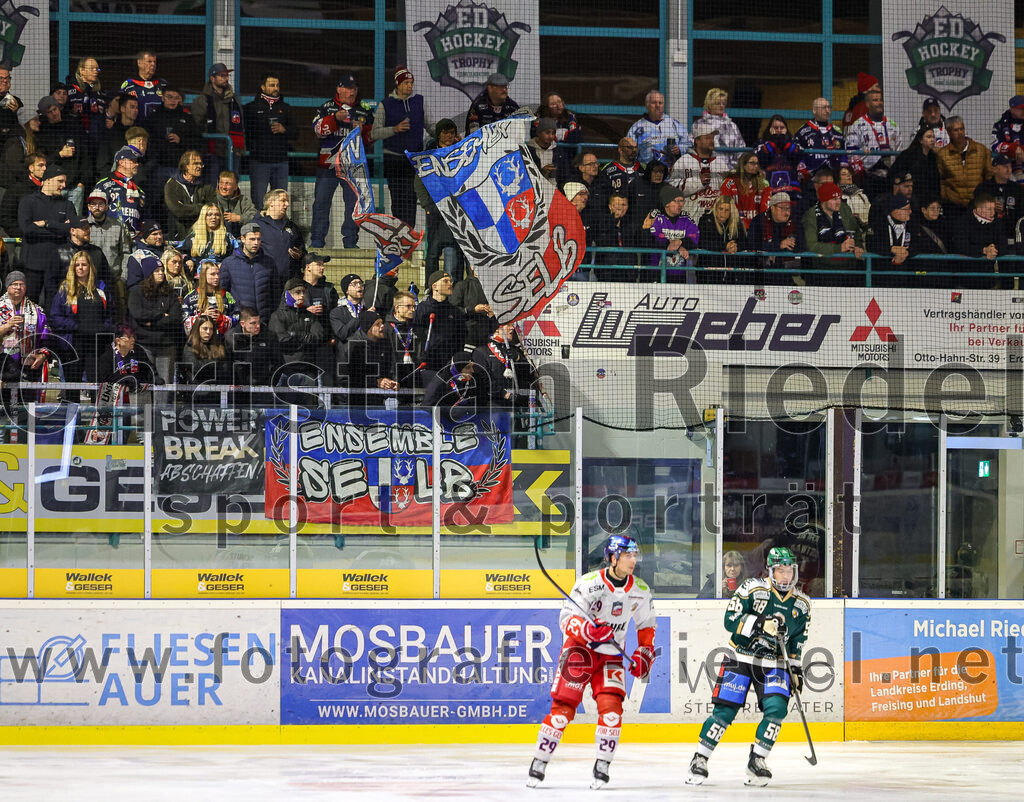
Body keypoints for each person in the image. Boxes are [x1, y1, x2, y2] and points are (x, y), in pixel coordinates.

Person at [526, 534, 655, 790]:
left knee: (611, 712)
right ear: (613, 557)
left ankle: (602, 765)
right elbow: (566, 619)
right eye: (628, 555)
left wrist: (644, 653)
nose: (633, 560)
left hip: (611, 656)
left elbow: (646, 625)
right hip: (579, 651)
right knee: (562, 711)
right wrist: (590, 631)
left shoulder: (640, 590)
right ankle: (539, 761)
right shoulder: (588, 583)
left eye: (634, 555)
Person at [686, 547, 810, 788]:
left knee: (777, 710)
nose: (785, 576)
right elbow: (730, 621)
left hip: (774, 663)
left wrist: (795, 669)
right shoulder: (752, 588)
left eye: (789, 571)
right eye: (780, 570)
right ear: (771, 571)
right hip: (740, 658)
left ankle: (758, 760)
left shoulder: (802, 604)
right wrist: (761, 623)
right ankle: (700, 757)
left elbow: (797, 642)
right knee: (724, 712)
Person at [311, 74, 371, 249]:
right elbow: (317, 131)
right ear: (339, 89)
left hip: (353, 166)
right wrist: (334, 119)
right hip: (328, 165)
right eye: (348, 88)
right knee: (321, 203)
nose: (352, 92)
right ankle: (317, 242)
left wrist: (364, 130)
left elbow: (373, 137)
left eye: (354, 88)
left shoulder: (364, 109)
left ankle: (351, 242)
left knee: (353, 205)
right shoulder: (326, 108)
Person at [371, 65, 429, 228]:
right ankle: (398, 233)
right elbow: (374, 133)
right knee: (398, 198)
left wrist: (445, 133)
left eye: (411, 83)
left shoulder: (419, 102)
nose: (409, 86)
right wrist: (394, 129)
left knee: (412, 197)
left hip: (413, 159)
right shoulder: (386, 105)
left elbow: (430, 125)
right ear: (398, 84)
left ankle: (409, 233)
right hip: (393, 158)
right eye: (406, 83)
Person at [48, 251, 111, 382]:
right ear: (73, 268)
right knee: (72, 385)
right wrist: (77, 326)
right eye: (77, 265)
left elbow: (111, 314)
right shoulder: (65, 288)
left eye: (84, 264)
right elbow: (55, 317)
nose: (81, 268)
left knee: (96, 383)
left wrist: (103, 328)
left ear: (90, 267)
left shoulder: (101, 287)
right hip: (72, 344)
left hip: (96, 344)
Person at [18, 163, 76, 306]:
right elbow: (27, 230)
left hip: (58, 267)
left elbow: (71, 229)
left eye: (65, 182)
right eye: (60, 181)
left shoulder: (67, 204)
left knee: (56, 307)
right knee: (30, 306)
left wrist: (47, 224)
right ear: (48, 180)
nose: (63, 185)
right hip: (33, 265)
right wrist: (58, 232)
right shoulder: (28, 201)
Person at [415, 120, 465, 282]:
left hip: (457, 209)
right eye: (445, 133)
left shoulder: (461, 153)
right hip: (435, 209)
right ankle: (431, 285)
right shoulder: (429, 155)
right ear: (438, 134)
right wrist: (427, 205)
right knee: (433, 251)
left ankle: (455, 284)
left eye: (452, 132)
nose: (449, 136)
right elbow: (419, 181)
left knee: (458, 248)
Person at [127, 256, 182, 384]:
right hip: (143, 345)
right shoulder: (136, 292)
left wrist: (151, 322)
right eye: (157, 271)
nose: (161, 273)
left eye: (162, 270)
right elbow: (137, 314)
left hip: (166, 345)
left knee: (165, 385)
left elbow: (175, 318)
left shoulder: (170, 293)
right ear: (149, 273)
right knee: (144, 384)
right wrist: (162, 315)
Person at [243, 72, 294, 209]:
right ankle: (258, 228)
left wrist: (285, 130)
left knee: (280, 201)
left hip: (281, 162)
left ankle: (277, 230)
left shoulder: (286, 108)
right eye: (271, 85)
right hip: (259, 162)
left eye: (277, 85)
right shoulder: (250, 108)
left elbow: (296, 133)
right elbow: (246, 133)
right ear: (263, 87)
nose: (275, 88)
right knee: (258, 201)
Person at [0, 271, 51, 405]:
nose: (18, 287)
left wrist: (43, 355)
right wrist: (7, 326)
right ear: (7, 287)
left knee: (26, 406)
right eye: (14, 284)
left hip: (28, 367)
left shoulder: (37, 310)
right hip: (3, 367)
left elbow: (46, 338)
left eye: (21, 284)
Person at [414, 269, 468, 392]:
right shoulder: (422, 309)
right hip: (428, 364)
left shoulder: (455, 312)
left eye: (450, 281)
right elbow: (417, 334)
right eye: (445, 281)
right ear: (434, 286)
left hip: (448, 366)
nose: (450, 284)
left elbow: (461, 337)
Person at [143, 86, 200, 203]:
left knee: (179, 202)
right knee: (156, 201)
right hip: (158, 167)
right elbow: (146, 140)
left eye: (176, 98)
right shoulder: (153, 117)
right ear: (163, 98)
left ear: (180, 99)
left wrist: (181, 140)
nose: (172, 100)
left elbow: (198, 141)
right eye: (169, 97)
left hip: (180, 169)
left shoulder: (187, 118)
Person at [845, 88, 903, 199]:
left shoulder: (892, 125)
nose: (879, 103)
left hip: (890, 178)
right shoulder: (858, 125)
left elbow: (899, 151)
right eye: (875, 100)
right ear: (867, 103)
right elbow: (851, 152)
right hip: (869, 178)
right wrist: (861, 174)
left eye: (881, 100)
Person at [269, 277, 327, 387]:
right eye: (297, 292)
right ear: (288, 294)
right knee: (284, 403)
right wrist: (305, 338)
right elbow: (281, 340)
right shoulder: (277, 316)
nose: (302, 295)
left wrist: (294, 335)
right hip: (284, 370)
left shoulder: (310, 315)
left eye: (304, 292)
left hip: (308, 369)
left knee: (307, 404)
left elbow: (319, 336)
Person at [191, 63, 244, 182]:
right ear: (212, 78)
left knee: (231, 186)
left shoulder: (234, 99)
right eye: (222, 75)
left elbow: (240, 123)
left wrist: (239, 147)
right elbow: (196, 125)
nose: (225, 78)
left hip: (232, 151)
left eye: (226, 75)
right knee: (212, 185)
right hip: (211, 152)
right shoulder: (202, 100)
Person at [803, 181, 864, 283]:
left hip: (848, 270)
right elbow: (812, 246)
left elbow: (856, 231)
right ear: (823, 200)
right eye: (833, 199)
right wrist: (839, 248)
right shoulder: (811, 216)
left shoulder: (844, 209)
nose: (838, 201)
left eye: (839, 198)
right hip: (822, 271)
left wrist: (858, 246)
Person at [669, 119, 728, 223]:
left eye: (712, 138)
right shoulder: (683, 161)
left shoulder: (720, 163)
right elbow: (673, 190)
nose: (711, 141)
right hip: (688, 221)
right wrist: (698, 182)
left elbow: (726, 192)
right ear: (697, 140)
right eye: (707, 138)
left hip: (714, 222)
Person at [338, 308, 398, 408]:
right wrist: (376, 382)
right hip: (352, 403)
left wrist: (391, 382)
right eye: (377, 324)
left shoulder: (385, 344)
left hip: (376, 401)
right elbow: (344, 379)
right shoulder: (350, 346)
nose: (382, 326)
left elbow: (387, 370)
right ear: (368, 327)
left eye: (382, 323)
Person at [219, 221, 276, 323]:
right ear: (243, 239)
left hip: (264, 320)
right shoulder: (229, 264)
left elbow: (276, 291)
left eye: (258, 239)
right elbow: (222, 293)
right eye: (252, 239)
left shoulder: (269, 262)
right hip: (239, 321)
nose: (256, 243)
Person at [937, 116, 994, 217]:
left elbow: (989, 175)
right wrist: (946, 196)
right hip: (953, 207)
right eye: (956, 130)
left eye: (961, 129)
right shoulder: (943, 154)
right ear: (949, 132)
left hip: (978, 205)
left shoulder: (981, 150)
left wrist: (986, 198)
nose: (960, 132)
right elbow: (941, 179)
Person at [747, 192, 806, 284]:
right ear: (772, 208)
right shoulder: (758, 221)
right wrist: (779, 245)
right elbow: (752, 245)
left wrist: (794, 244)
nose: (786, 212)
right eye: (782, 208)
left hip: (788, 275)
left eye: (788, 208)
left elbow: (803, 245)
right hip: (762, 275)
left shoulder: (795, 222)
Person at [643, 184, 699, 281]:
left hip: (679, 276)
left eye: (682, 201)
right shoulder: (657, 217)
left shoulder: (687, 220)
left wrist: (681, 242)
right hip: (656, 274)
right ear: (667, 203)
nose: (681, 204)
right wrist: (671, 244)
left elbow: (695, 237)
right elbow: (653, 239)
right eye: (677, 201)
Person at [952, 194, 1008, 288]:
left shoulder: (997, 223)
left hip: (987, 279)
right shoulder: (963, 222)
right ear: (979, 210)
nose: (993, 212)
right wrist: (984, 250)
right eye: (989, 209)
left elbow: (1003, 244)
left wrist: (994, 250)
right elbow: (961, 245)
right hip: (964, 279)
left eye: (993, 209)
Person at [627, 89, 690, 167]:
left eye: (660, 103)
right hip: (646, 175)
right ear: (647, 105)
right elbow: (629, 152)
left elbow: (688, 143)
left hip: (672, 175)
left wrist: (680, 149)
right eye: (654, 102)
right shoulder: (637, 128)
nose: (657, 105)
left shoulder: (675, 124)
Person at [253, 188, 304, 284]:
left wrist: (300, 255)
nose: (287, 204)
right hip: (265, 281)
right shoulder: (257, 225)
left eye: (287, 201)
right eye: (283, 201)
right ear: (271, 202)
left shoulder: (292, 227)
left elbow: (302, 250)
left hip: (289, 282)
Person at [92, 146, 145, 235]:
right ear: (121, 162)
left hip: (134, 241)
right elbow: (93, 212)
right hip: (110, 237)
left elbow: (144, 219)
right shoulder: (104, 185)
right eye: (133, 161)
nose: (137, 164)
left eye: (137, 162)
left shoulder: (139, 191)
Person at [164, 150, 215, 239]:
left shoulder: (206, 186)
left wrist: (185, 207)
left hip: (202, 234)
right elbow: (177, 210)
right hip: (178, 236)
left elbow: (212, 208)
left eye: (200, 164)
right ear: (185, 166)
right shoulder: (172, 185)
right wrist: (202, 207)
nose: (199, 167)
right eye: (195, 164)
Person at [86, 189, 132, 286]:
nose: (97, 207)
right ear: (89, 207)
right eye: (93, 204)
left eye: (101, 204)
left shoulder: (118, 226)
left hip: (113, 279)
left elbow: (125, 253)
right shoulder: (83, 226)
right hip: (89, 280)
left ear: (107, 207)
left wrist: (123, 277)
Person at [975, 153, 1023, 246]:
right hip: (986, 237)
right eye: (1005, 166)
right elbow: (974, 210)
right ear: (995, 169)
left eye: (1010, 166)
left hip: (1011, 238)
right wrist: (990, 208)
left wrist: (1006, 210)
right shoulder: (983, 188)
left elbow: (1021, 213)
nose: (1009, 170)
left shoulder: (1017, 189)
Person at [590, 193, 639, 280]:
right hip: (606, 272)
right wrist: (614, 220)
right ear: (610, 206)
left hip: (628, 274)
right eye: (617, 205)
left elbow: (638, 242)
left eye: (624, 204)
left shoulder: (632, 223)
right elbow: (600, 240)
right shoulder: (601, 221)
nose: (620, 208)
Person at [794, 97, 846, 181]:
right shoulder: (804, 130)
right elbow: (796, 151)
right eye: (823, 108)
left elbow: (844, 152)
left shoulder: (837, 131)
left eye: (829, 107)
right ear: (814, 110)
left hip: (834, 178)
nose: (827, 110)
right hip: (811, 179)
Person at [867, 194, 913, 286]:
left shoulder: (913, 224)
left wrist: (907, 252)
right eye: (906, 209)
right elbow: (871, 245)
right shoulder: (878, 224)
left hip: (904, 277)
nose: (910, 211)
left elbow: (920, 245)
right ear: (895, 211)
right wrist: (891, 249)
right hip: (881, 278)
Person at [182, 260, 239, 335]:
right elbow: (184, 325)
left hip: (221, 340)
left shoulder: (227, 296)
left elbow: (237, 318)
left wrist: (222, 319)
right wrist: (202, 317)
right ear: (203, 276)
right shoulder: (190, 297)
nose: (217, 277)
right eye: (212, 274)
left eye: (218, 274)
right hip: (198, 341)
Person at [95, 323, 161, 388]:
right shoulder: (107, 355)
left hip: (138, 391)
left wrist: (154, 377)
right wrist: (126, 380)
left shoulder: (138, 350)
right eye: (129, 337)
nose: (133, 340)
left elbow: (147, 367)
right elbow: (105, 377)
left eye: (133, 337)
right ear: (118, 341)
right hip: (115, 393)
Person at [226, 307, 278, 387]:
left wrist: (270, 383)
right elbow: (227, 363)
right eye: (253, 323)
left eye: (258, 322)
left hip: (263, 386)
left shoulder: (269, 336)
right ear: (242, 324)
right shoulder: (230, 337)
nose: (258, 326)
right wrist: (233, 381)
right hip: (238, 388)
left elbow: (277, 362)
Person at [697, 195, 748, 275]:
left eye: (727, 210)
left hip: (732, 274)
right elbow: (702, 242)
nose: (723, 213)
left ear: (731, 211)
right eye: (721, 209)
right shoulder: (706, 220)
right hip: (708, 273)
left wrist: (735, 247)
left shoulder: (737, 224)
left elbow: (745, 243)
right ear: (716, 208)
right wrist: (725, 246)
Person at [179, 203, 236, 275]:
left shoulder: (227, 237)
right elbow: (178, 252)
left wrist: (225, 264)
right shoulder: (193, 237)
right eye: (209, 215)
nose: (214, 217)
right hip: (197, 278)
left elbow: (238, 253)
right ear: (203, 217)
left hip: (220, 277)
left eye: (217, 215)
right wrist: (187, 260)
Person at [754, 115, 803, 198]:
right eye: (776, 128)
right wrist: (773, 141)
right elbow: (762, 160)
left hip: (791, 187)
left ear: (786, 129)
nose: (779, 130)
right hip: (769, 186)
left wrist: (784, 141)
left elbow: (797, 157)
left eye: (782, 127)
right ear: (770, 129)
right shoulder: (761, 142)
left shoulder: (793, 141)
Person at [891, 124, 941, 202]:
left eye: (933, 137)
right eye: (928, 137)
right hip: (910, 197)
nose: (932, 140)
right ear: (920, 140)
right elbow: (894, 173)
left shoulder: (933, 158)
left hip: (928, 199)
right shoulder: (908, 155)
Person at [0, 152, 46, 237]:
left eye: (45, 165)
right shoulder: (16, 189)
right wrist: (22, 232)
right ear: (31, 168)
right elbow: (5, 218)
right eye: (40, 165)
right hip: (23, 240)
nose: (45, 168)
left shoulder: (49, 189)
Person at [697, 88, 745, 169]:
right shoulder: (700, 124)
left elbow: (741, 148)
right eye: (718, 103)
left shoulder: (733, 126)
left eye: (723, 103)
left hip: (731, 171)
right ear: (710, 104)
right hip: (707, 169)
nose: (722, 106)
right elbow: (694, 147)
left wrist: (737, 168)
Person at [720, 152, 769, 230]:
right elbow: (723, 204)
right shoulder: (730, 182)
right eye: (752, 163)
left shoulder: (763, 184)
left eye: (757, 163)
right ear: (743, 165)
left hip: (756, 227)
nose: (756, 166)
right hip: (735, 226)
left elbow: (765, 208)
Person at [452, 263, 496, 348]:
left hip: (489, 331)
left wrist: (493, 311)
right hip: (468, 333)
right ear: (472, 267)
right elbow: (454, 309)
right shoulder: (462, 285)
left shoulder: (492, 286)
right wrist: (472, 310)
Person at [180, 315, 230, 386]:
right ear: (197, 329)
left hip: (217, 386)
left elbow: (225, 367)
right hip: (197, 387)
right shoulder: (189, 345)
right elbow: (196, 368)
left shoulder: (219, 345)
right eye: (205, 328)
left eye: (211, 329)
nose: (208, 332)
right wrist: (216, 362)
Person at [119, 50, 167, 121]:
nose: (153, 64)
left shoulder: (162, 84)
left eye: (154, 62)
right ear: (139, 63)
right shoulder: (129, 84)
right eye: (149, 61)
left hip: (159, 126)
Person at [527, 118, 571, 188]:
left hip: (555, 191)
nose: (551, 136)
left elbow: (566, 176)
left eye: (553, 133)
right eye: (547, 132)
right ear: (539, 133)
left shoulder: (560, 153)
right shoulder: (527, 151)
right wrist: (542, 172)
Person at [214, 170, 257, 239]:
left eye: (227, 184)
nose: (223, 187)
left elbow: (254, 216)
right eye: (221, 183)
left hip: (240, 237)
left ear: (235, 186)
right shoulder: (212, 199)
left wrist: (239, 218)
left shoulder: (243, 200)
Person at [328, 273, 366, 348]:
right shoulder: (336, 312)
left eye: (360, 283)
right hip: (346, 353)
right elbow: (342, 334)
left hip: (367, 352)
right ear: (347, 290)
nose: (359, 286)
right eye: (354, 284)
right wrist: (361, 317)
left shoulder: (368, 307)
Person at [124, 220, 164, 289]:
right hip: (148, 293)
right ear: (146, 236)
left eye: (160, 233)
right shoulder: (137, 255)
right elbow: (134, 284)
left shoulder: (167, 249)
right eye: (155, 234)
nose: (159, 237)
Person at [991, 95, 1024, 176]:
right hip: (1006, 166)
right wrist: (1013, 148)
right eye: (1021, 109)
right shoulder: (1000, 124)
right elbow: (995, 146)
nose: (1023, 111)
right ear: (1012, 109)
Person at [837, 165, 871, 235]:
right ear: (838, 178)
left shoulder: (862, 195)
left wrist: (862, 222)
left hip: (863, 234)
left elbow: (870, 215)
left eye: (850, 173)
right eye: (844, 174)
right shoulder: (836, 196)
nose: (848, 175)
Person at [0, 65, 24, 154]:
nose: (5, 81)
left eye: (7, 78)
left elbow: (22, 125)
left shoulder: (15, 100)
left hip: (10, 146)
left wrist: (16, 111)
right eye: (1, 78)